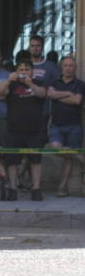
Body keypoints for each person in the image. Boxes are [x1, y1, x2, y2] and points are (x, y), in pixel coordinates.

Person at [0, 59, 47, 201]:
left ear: (32, 71)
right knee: (12, 160)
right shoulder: (12, 84)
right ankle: (13, 188)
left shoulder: (38, 82)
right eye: (21, 70)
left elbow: (42, 94)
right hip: (14, 128)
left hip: (34, 129)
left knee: (36, 160)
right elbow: (0, 92)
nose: (24, 72)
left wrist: (30, 84)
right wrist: (8, 80)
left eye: (27, 70)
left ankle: (36, 188)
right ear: (16, 71)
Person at [46, 56, 85, 197]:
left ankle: (62, 188)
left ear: (75, 68)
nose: (68, 68)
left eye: (71, 65)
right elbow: (50, 94)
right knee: (56, 147)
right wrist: (68, 93)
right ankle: (82, 160)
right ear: (61, 68)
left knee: (68, 158)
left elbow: (77, 101)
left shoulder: (80, 84)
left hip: (74, 125)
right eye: (65, 65)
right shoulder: (54, 82)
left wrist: (58, 96)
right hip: (56, 124)